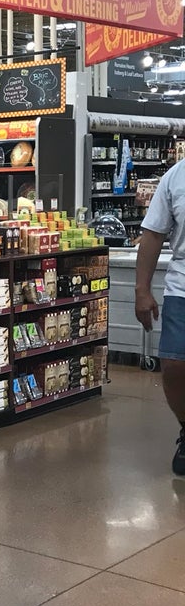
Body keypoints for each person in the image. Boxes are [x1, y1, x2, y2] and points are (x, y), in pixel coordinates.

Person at [135, 160, 185, 473]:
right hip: (182, 287)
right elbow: (153, 234)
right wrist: (142, 290)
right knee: (174, 365)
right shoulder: (176, 177)